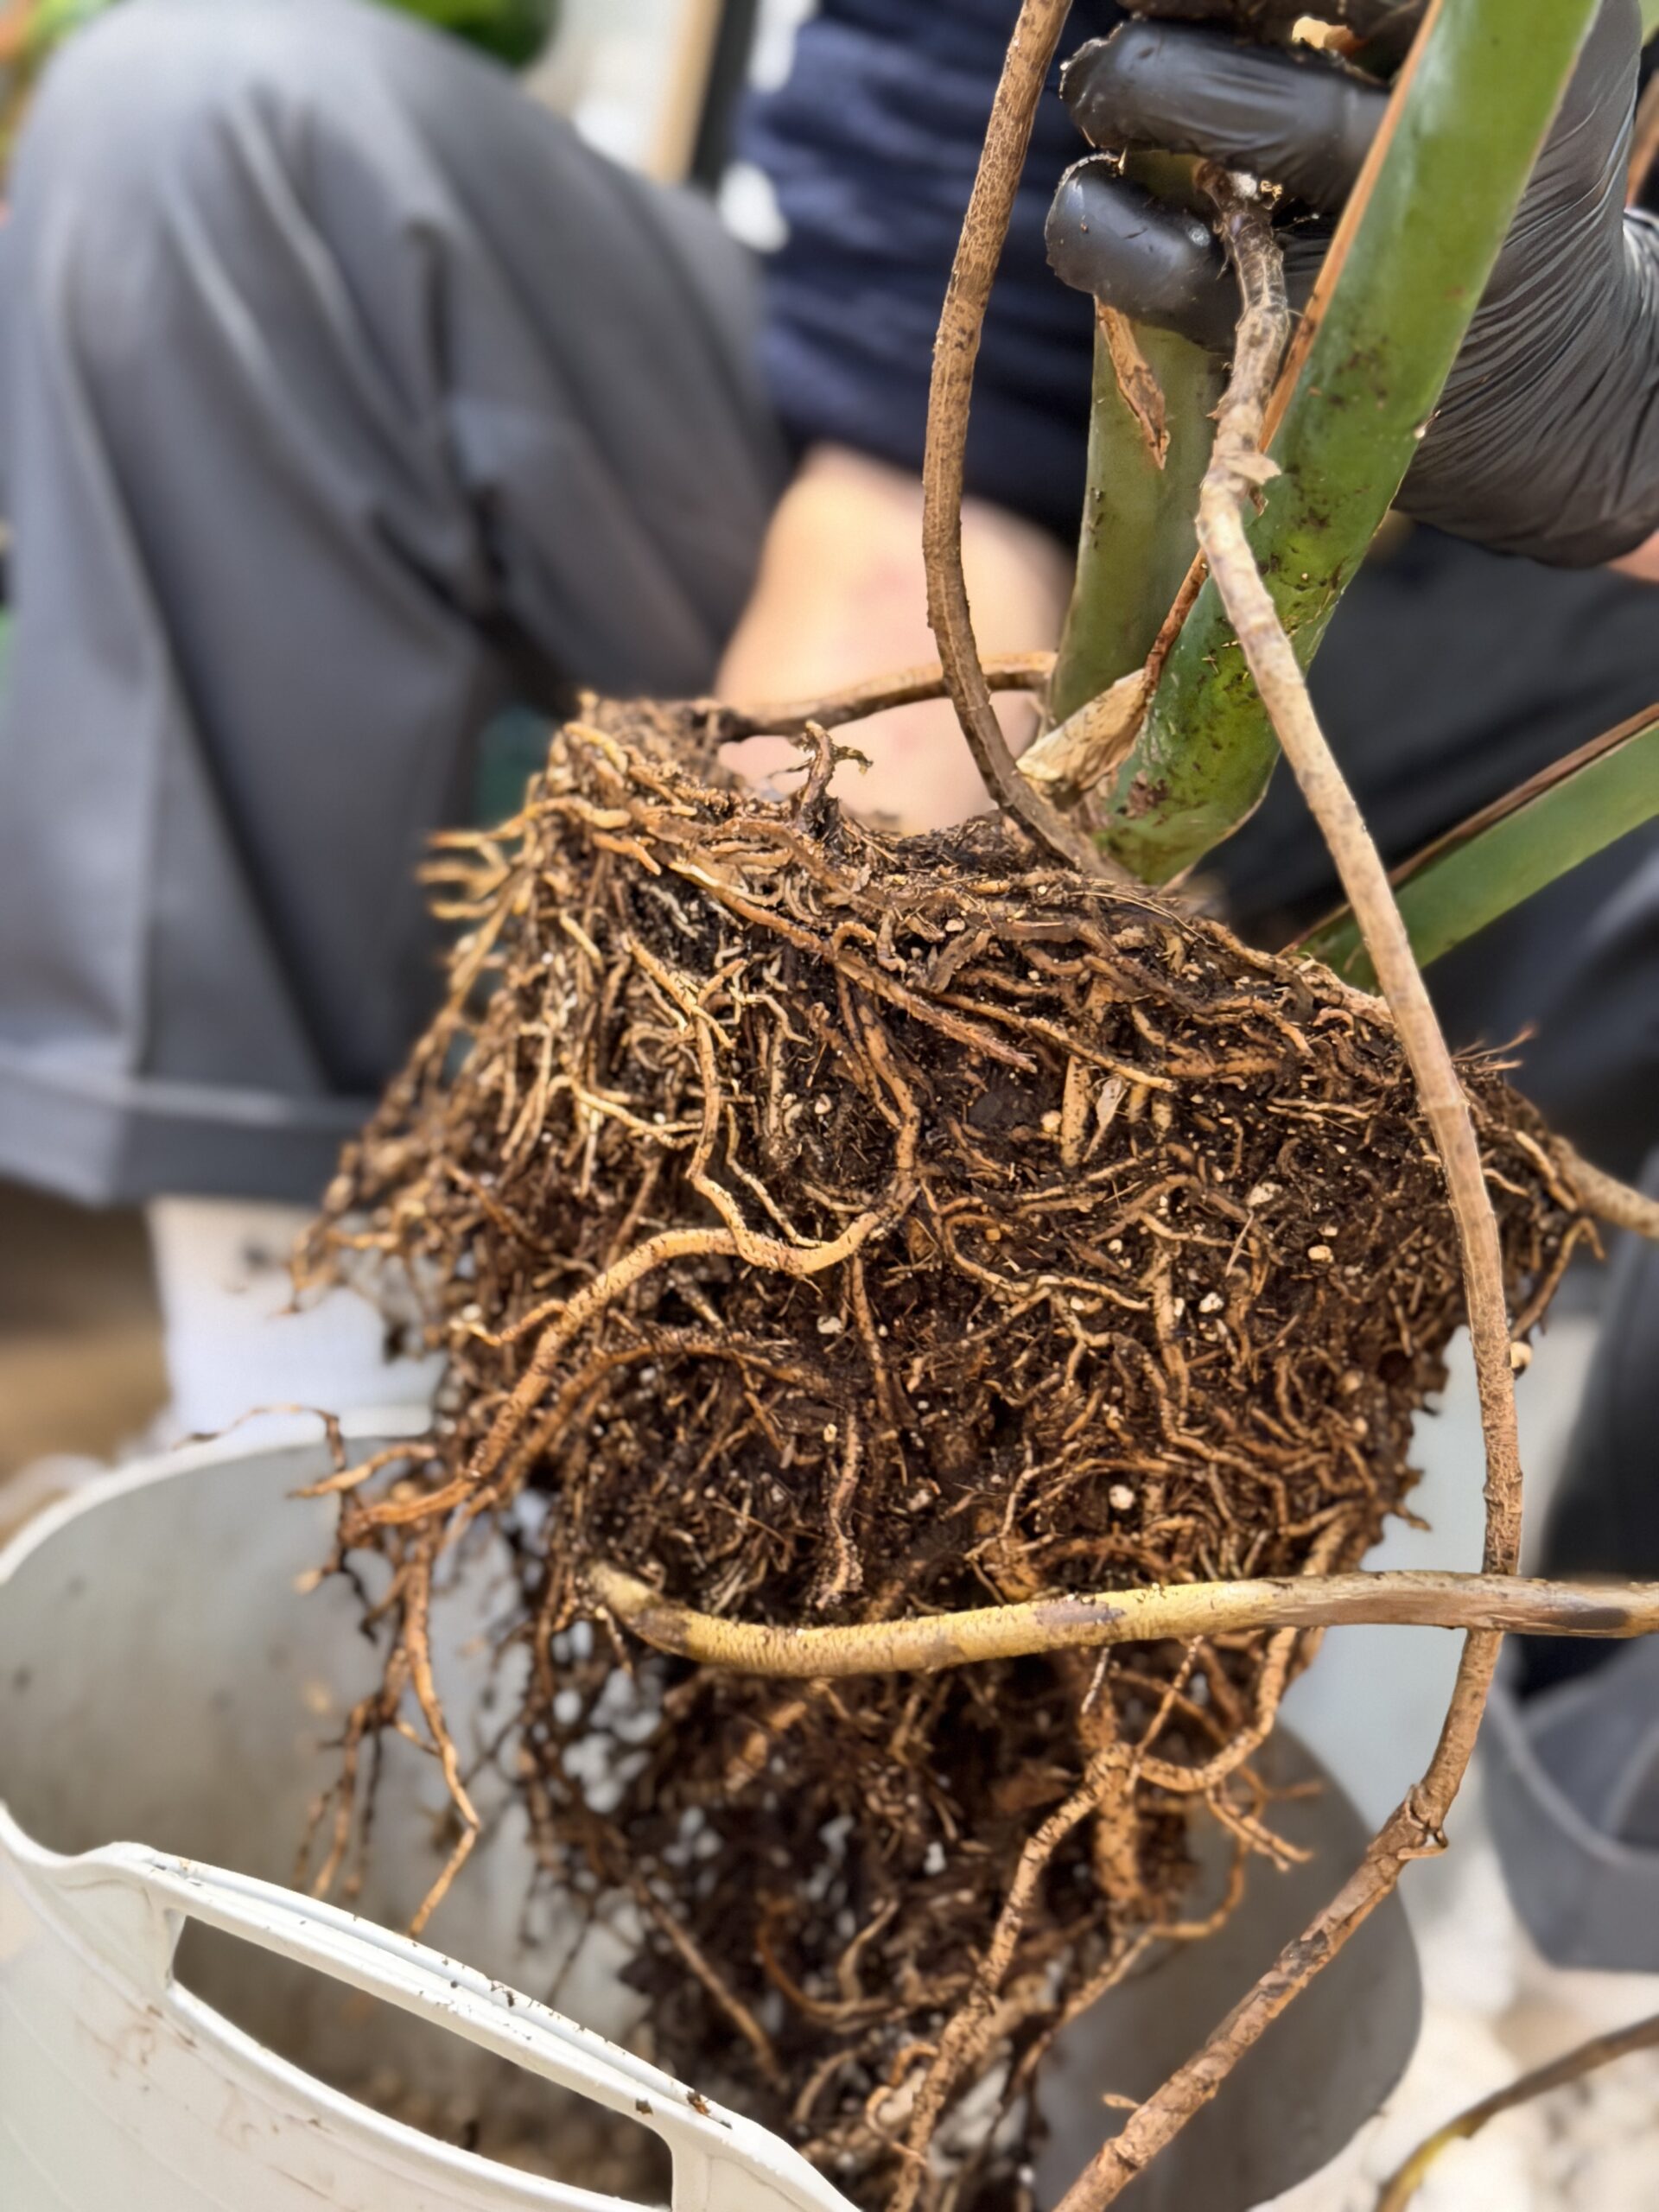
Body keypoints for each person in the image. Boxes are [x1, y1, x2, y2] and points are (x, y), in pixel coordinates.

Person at [0, 0, 1657, 1917]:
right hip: (1063, 558)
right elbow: (928, 336)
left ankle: (1590, 1911)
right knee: (205, 132)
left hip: (1573, 737)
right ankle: (298, 1490)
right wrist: (847, 937)